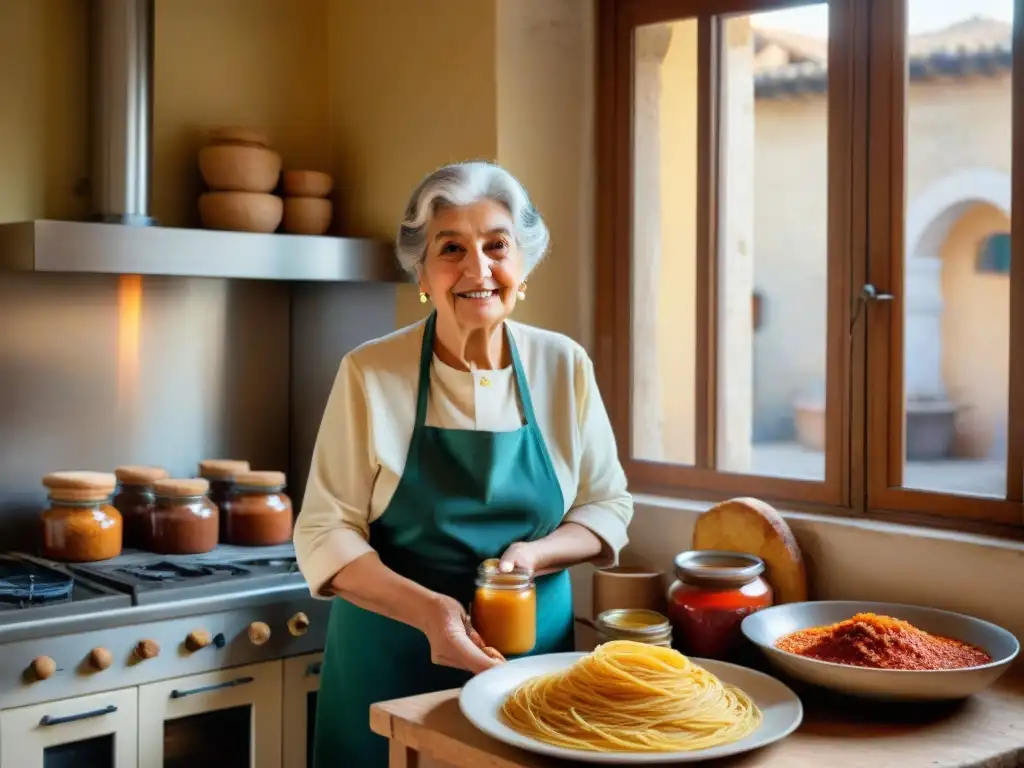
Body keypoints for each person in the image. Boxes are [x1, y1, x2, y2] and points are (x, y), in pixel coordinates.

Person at [294, 161, 633, 767]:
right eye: (452, 248)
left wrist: (533, 556)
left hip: (529, 671)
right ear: (421, 272)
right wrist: (431, 612)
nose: (478, 269)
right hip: (389, 659)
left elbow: (606, 504)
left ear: (522, 265)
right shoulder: (370, 372)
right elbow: (324, 530)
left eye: (497, 246)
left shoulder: (564, 366)